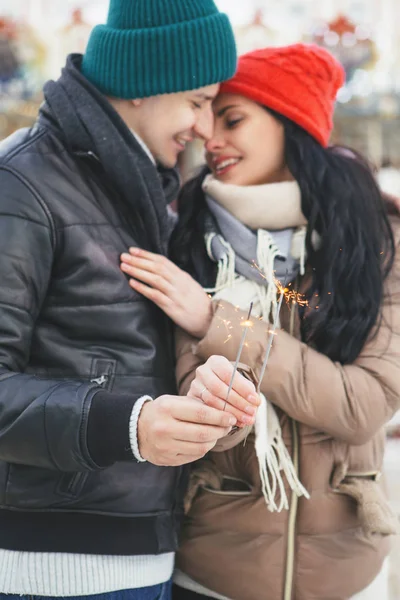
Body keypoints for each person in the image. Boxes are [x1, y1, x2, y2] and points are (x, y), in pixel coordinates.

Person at [0, 2, 262, 599]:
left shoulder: (150, 195)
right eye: (197, 101)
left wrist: (206, 399)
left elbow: (128, 357)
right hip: (46, 571)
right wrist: (130, 425)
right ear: (144, 84)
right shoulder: (22, 183)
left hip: (144, 560)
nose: (204, 127)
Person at [120, 44, 400, 600]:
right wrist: (220, 410)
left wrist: (216, 322)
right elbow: (207, 427)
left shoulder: (378, 239)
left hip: (347, 574)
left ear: (291, 121)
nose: (210, 138)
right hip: (213, 574)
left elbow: (364, 404)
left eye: (233, 119)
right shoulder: (189, 240)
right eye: (207, 118)